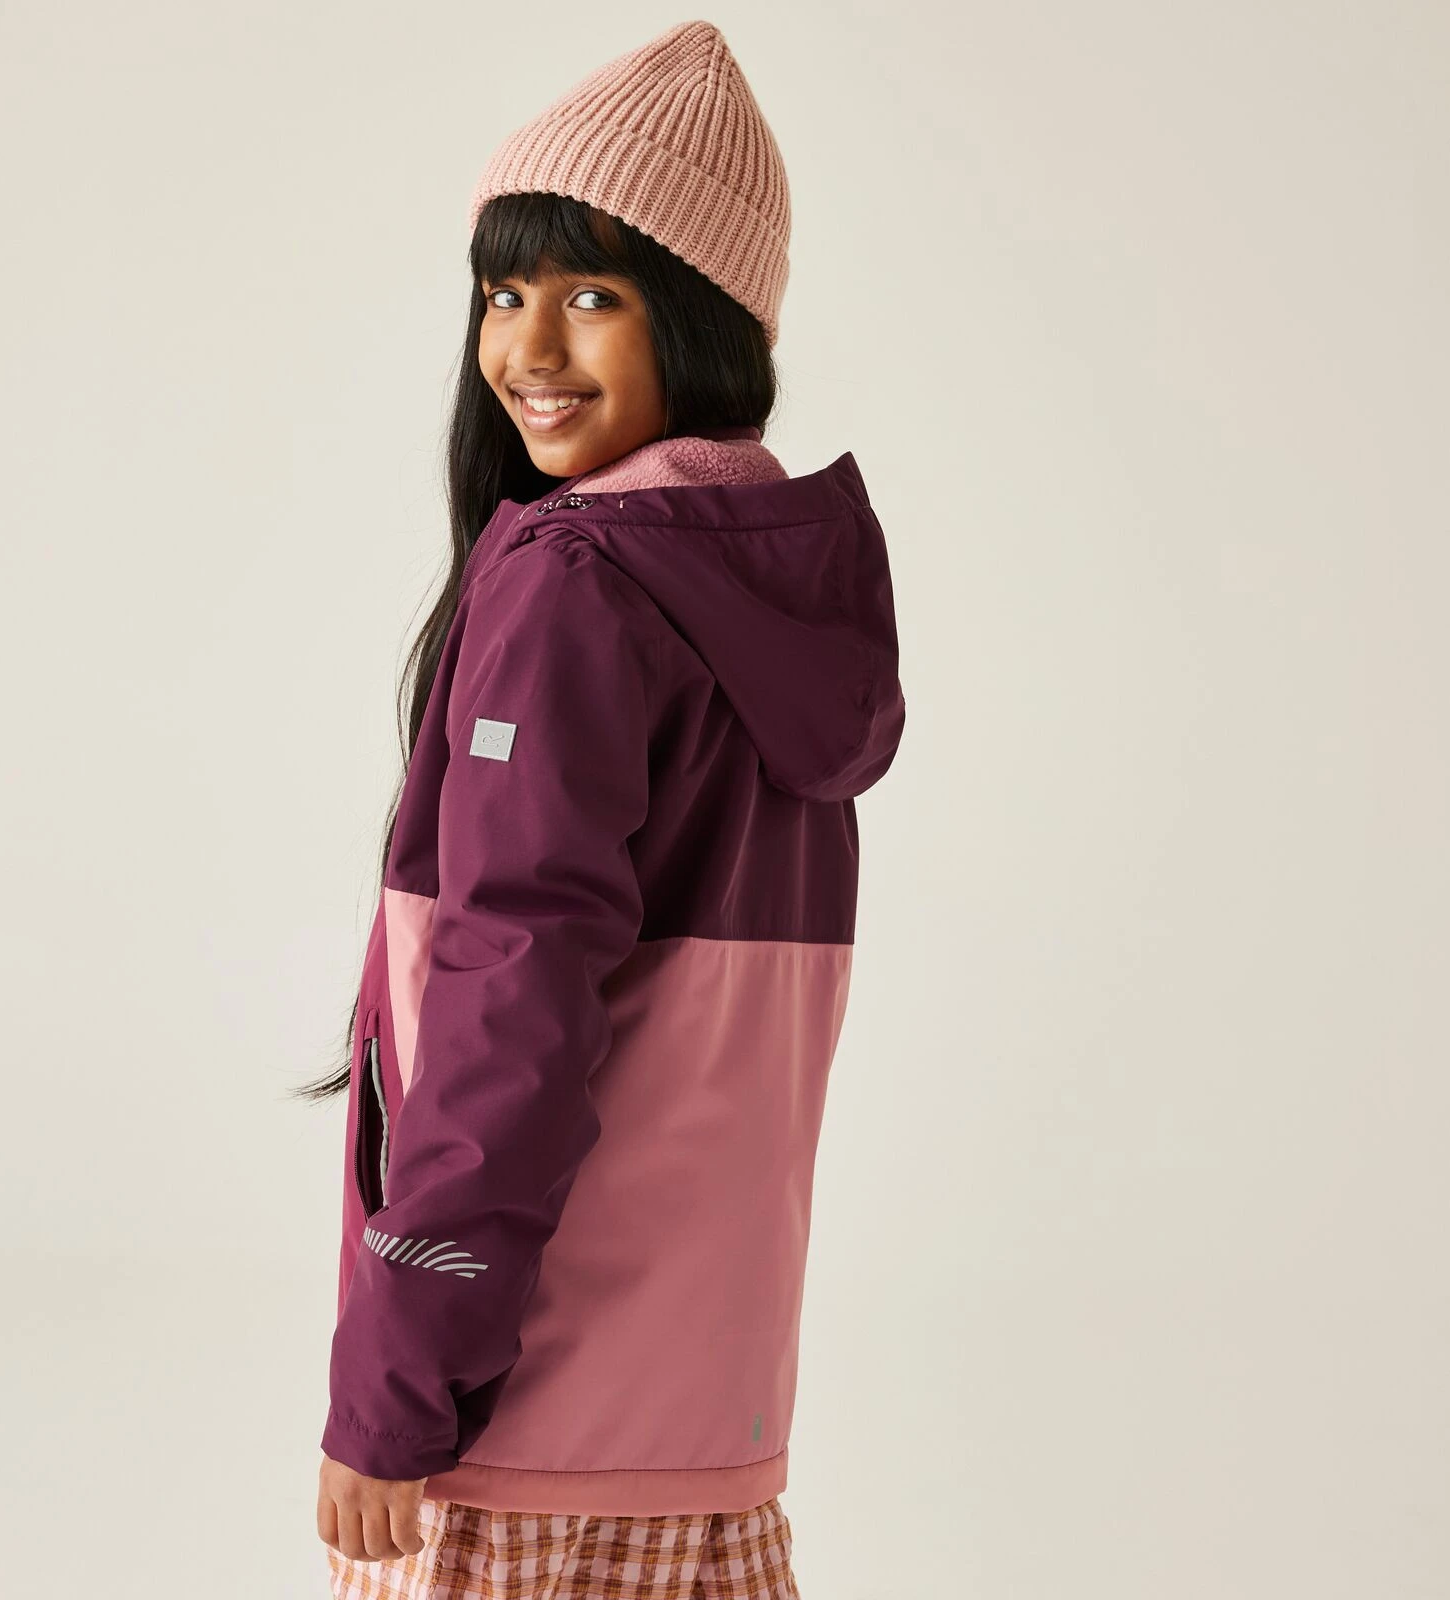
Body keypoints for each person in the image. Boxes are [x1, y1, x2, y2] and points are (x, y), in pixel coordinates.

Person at [296, 19, 906, 1598]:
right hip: (708, 1433)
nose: (529, 348)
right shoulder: (757, 584)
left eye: (593, 295)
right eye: (504, 292)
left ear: (701, 319)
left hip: (523, 1431)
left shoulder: (579, 582)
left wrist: (398, 1382)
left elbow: (511, 1005)